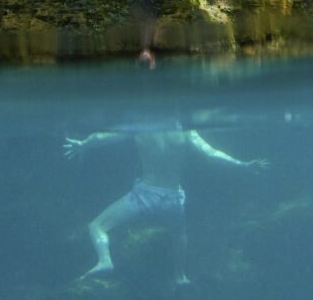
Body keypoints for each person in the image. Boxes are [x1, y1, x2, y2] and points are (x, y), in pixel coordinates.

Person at [65, 118, 268, 285]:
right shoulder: (184, 128)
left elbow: (106, 136)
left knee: (97, 226)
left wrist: (85, 143)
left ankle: (105, 260)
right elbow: (211, 153)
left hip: (144, 195)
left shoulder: (139, 124)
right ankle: (180, 276)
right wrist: (241, 164)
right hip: (172, 199)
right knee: (179, 233)